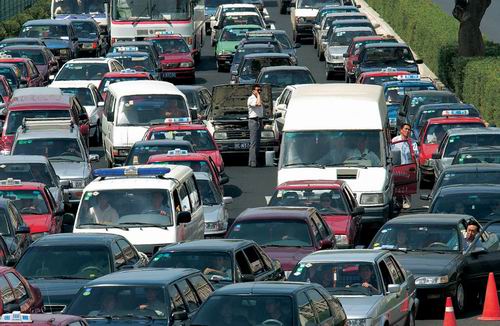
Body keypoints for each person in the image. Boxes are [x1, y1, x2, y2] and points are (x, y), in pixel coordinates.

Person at [392, 123, 419, 209]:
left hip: (407, 168)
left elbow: (416, 156)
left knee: (407, 188)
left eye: (409, 130)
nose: (407, 131)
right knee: (397, 187)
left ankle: (406, 202)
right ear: (401, 130)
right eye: (406, 129)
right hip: (397, 168)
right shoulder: (395, 141)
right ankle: (398, 201)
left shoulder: (412, 142)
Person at [247, 84, 264, 167]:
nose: (259, 91)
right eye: (257, 90)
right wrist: (257, 95)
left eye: (260, 90)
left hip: (259, 120)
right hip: (253, 121)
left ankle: (256, 160)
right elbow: (258, 104)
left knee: (258, 142)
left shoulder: (258, 98)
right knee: (253, 143)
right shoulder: (251, 99)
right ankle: (252, 162)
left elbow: (260, 111)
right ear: (253, 91)